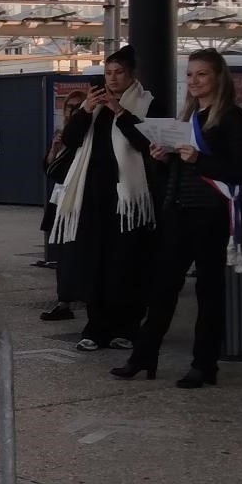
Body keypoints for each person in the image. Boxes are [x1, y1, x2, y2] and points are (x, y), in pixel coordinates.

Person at [116, 49, 242, 389]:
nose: (193, 81)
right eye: (190, 75)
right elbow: (182, 168)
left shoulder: (232, 117)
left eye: (201, 74)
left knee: (209, 290)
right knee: (163, 287)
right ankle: (144, 355)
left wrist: (198, 160)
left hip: (210, 213)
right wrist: (163, 157)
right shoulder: (187, 116)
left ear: (218, 77)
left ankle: (204, 364)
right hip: (178, 209)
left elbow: (241, 170)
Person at [51, 47, 157, 353]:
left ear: (132, 75)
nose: (112, 79)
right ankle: (95, 327)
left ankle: (125, 327)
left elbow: (146, 142)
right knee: (94, 261)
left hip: (129, 200)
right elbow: (70, 141)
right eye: (108, 73)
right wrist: (86, 110)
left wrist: (120, 112)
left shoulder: (147, 103)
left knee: (125, 263)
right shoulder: (92, 107)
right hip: (93, 195)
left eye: (119, 72)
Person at [37, 89, 87, 300]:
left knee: (76, 252)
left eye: (78, 107)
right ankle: (64, 298)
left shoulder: (85, 134)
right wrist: (54, 150)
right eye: (69, 107)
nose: (73, 111)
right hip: (60, 196)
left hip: (78, 199)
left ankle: (73, 295)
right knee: (61, 251)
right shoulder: (61, 134)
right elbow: (49, 170)